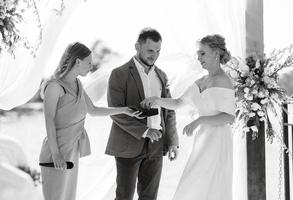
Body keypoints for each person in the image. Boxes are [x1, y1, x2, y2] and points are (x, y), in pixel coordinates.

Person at [39, 42, 140, 200]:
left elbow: (93, 110)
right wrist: (56, 154)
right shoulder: (54, 87)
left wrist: (124, 110)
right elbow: (49, 121)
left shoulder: (78, 84)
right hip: (55, 153)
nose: (91, 66)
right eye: (88, 62)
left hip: (72, 152)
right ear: (77, 62)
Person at [141, 34, 236, 200]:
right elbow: (178, 102)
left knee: (209, 184)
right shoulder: (201, 80)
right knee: (194, 182)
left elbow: (229, 117)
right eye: (198, 54)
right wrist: (157, 100)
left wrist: (199, 120)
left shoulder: (224, 81)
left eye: (202, 53)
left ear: (216, 53)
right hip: (204, 139)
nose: (198, 58)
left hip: (218, 140)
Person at [106, 28, 179, 200]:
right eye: (150, 50)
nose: (154, 55)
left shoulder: (161, 75)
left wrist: (173, 142)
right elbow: (115, 111)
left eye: (158, 51)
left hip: (156, 144)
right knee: (124, 196)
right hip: (128, 144)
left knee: (150, 197)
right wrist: (145, 131)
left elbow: (169, 111)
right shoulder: (119, 74)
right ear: (137, 46)